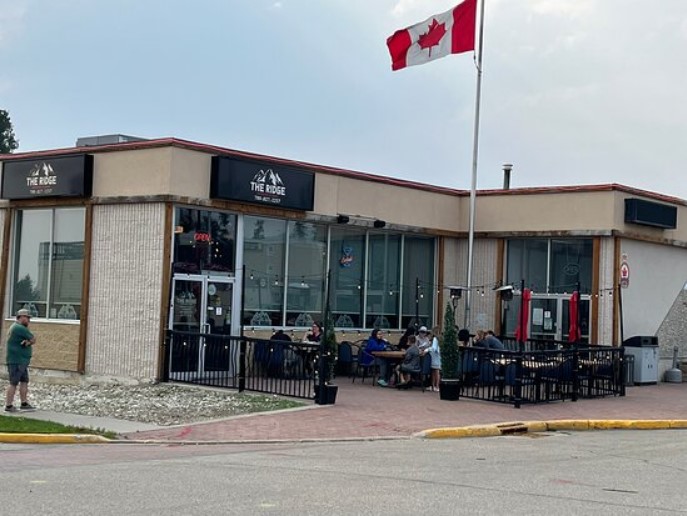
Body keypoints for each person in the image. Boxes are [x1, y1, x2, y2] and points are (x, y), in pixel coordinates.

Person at [5, 309, 36, 412]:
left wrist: (26, 342)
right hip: (16, 361)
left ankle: (24, 403)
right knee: (13, 382)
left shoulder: (15, 327)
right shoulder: (19, 328)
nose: (29, 320)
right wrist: (28, 342)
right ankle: (8, 405)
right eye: (27, 318)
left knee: (24, 381)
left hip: (22, 361)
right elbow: (33, 339)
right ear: (21, 317)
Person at [427, 326, 442, 391]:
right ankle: (434, 386)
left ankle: (436, 386)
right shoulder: (440, 338)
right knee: (435, 371)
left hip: (435, 357)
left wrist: (427, 349)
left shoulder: (435, 339)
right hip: (437, 356)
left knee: (435, 372)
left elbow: (434, 348)